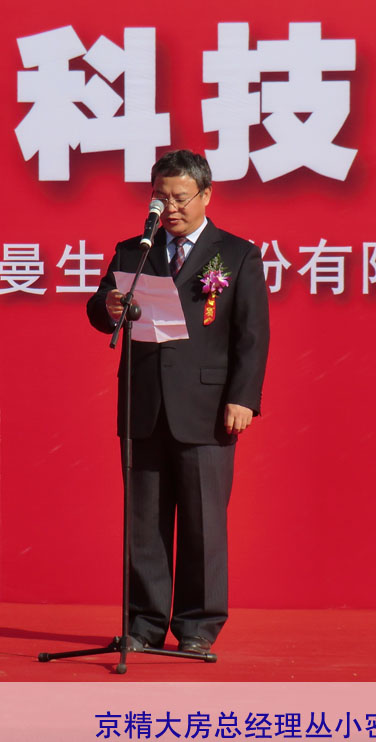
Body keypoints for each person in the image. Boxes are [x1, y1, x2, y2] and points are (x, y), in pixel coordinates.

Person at [86, 149, 270, 653]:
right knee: (144, 523)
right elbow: (99, 310)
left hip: (206, 408)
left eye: (180, 197)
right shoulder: (133, 251)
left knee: (202, 522)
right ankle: (143, 625)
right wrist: (109, 305)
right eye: (160, 196)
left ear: (206, 195)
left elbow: (252, 335)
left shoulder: (237, 254)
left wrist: (243, 398)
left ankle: (197, 628)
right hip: (143, 404)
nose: (168, 208)